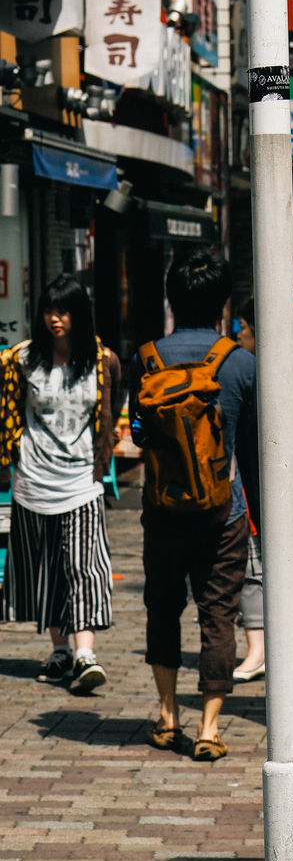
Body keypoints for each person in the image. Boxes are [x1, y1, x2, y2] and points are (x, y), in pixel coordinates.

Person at [129, 249, 256, 762]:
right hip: (224, 510)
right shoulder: (240, 362)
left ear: (172, 298)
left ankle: (166, 715)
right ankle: (208, 728)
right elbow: (253, 446)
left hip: (162, 507)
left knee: (162, 607)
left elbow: (138, 433)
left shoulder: (147, 358)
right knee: (218, 613)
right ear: (222, 300)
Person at [0, 275, 121, 693]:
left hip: (82, 480)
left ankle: (85, 652)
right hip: (34, 479)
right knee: (46, 569)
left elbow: (111, 407)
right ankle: (60, 650)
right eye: (50, 310)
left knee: (85, 565)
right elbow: (9, 411)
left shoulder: (102, 360)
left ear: (79, 314)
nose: (55, 319)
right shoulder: (22, 360)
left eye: (64, 310)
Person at [231, 297, 265, 683]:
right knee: (253, 566)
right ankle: (257, 649)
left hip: (275, 483)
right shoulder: (246, 370)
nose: (240, 337)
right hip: (250, 483)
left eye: (243, 331)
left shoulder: (257, 372)